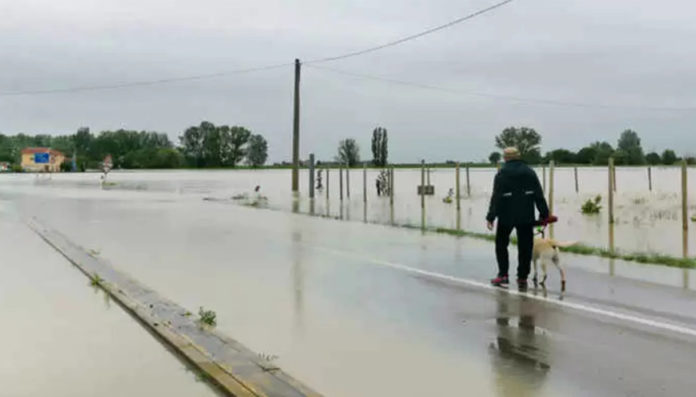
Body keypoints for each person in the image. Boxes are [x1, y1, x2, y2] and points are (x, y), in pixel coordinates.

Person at [486, 147, 549, 290]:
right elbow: (538, 194)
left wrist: (491, 216)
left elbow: (496, 197)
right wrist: (544, 214)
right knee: (525, 247)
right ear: (518, 156)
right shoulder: (529, 172)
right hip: (526, 215)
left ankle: (503, 275)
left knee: (501, 244)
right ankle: (522, 277)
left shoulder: (502, 173)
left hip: (506, 215)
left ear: (505, 157)